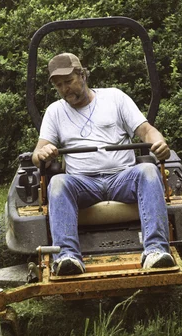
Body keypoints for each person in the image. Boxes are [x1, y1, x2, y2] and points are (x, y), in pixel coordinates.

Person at [32, 52, 174, 276]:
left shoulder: (115, 98)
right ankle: (67, 257)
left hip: (122, 177)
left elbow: (146, 130)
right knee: (58, 182)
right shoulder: (55, 112)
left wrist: (158, 142)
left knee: (148, 170)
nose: (65, 88)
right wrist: (44, 153)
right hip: (83, 183)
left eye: (69, 81)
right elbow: (37, 153)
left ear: (83, 75)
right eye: (59, 85)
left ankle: (156, 251)